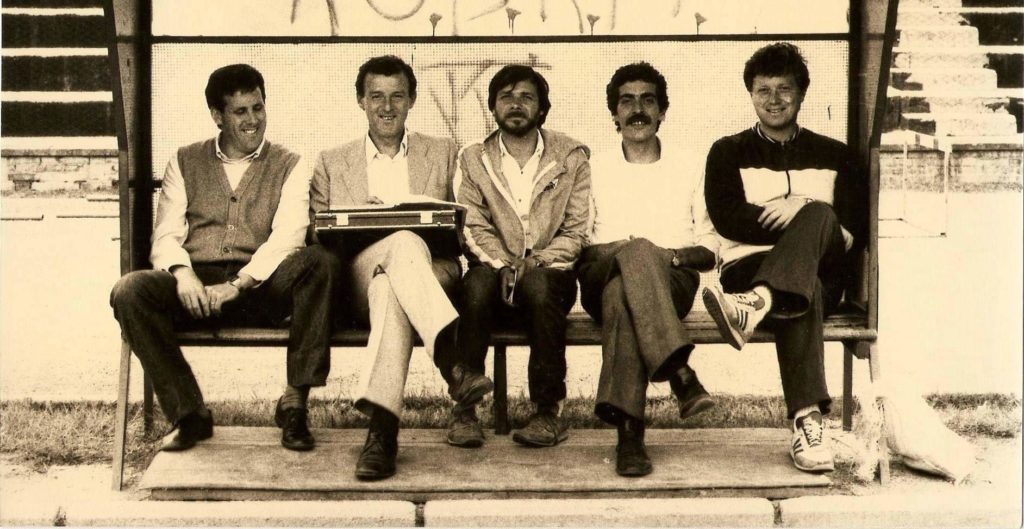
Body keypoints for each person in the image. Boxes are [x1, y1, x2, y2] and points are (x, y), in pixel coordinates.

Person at [110, 64, 339, 453]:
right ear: (217, 116)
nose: (253, 120)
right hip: (197, 287)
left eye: (258, 108)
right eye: (240, 111)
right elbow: (166, 233)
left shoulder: (290, 163)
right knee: (129, 290)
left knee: (319, 261)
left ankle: (295, 405)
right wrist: (183, 275)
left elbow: (289, 235)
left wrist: (239, 284)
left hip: (261, 288)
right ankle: (189, 415)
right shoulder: (184, 160)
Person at [309, 55, 493, 481]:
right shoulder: (332, 161)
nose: (387, 107)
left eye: (397, 96)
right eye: (376, 97)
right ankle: (451, 363)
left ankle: (382, 433)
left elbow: (464, 224)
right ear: (360, 101)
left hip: (432, 274)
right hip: (359, 276)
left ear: (412, 100)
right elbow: (318, 237)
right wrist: (365, 219)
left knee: (394, 280)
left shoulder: (443, 153)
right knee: (398, 249)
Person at [702, 43, 867, 473]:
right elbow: (729, 220)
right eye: (763, 90)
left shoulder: (837, 155)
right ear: (750, 94)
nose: (773, 100)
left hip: (821, 274)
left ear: (802, 93)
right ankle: (808, 422)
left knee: (819, 217)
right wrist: (810, 221)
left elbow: (851, 234)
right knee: (802, 286)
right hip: (747, 269)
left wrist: (803, 209)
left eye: (784, 89)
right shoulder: (727, 151)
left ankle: (758, 304)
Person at [576, 62, 720, 477]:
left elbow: (710, 249)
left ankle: (630, 437)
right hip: (601, 271)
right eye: (627, 101)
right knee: (633, 254)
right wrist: (631, 250)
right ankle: (678, 371)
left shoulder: (690, 164)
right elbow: (580, 242)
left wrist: (665, 256)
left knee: (624, 294)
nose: (637, 110)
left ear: (662, 111)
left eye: (647, 100)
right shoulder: (594, 168)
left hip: (671, 277)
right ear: (614, 113)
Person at [454, 64, 591, 448]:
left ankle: (547, 413)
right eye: (506, 97)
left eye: (527, 97)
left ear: (542, 109)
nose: (516, 104)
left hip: (550, 272)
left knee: (541, 288)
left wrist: (535, 263)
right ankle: (464, 411)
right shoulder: (474, 159)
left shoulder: (571, 157)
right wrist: (503, 264)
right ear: (492, 107)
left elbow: (577, 230)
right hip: (491, 271)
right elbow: (470, 224)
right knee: (474, 287)